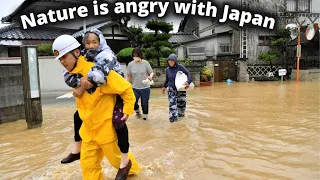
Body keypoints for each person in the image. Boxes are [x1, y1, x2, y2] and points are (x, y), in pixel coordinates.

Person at [52, 34, 140, 180]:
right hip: (88, 133)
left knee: (124, 166)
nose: (62, 61)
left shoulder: (99, 72)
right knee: (88, 170)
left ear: (77, 52)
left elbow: (125, 88)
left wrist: (127, 109)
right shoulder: (73, 77)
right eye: (60, 59)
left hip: (106, 132)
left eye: (64, 57)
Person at [162, 54, 192, 123]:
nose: (171, 62)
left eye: (172, 61)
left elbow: (188, 73)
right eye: (169, 61)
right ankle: (173, 121)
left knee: (181, 104)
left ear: (175, 61)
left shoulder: (180, 67)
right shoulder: (167, 69)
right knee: (172, 105)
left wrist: (188, 82)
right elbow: (167, 79)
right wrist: (164, 86)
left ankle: (181, 118)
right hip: (171, 89)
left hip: (181, 89)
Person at [126, 47, 154, 120]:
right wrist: (126, 84)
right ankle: (138, 112)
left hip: (145, 88)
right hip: (135, 88)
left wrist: (150, 77)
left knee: (144, 103)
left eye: (137, 55)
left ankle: (145, 118)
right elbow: (128, 76)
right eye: (134, 55)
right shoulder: (130, 64)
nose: (135, 57)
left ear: (140, 55)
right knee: (133, 102)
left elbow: (151, 72)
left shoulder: (145, 63)